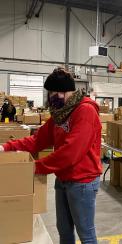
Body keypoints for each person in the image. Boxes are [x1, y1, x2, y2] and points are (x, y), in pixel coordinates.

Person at [0, 68, 102, 244]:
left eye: (53, 93)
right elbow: (37, 141)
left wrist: (35, 167)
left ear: (65, 91)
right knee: (64, 230)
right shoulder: (60, 113)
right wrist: (5, 147)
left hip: (82, 182)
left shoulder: (85, 112)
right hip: (63, 178)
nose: (50, 97)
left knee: (86, 234)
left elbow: (70, 153)